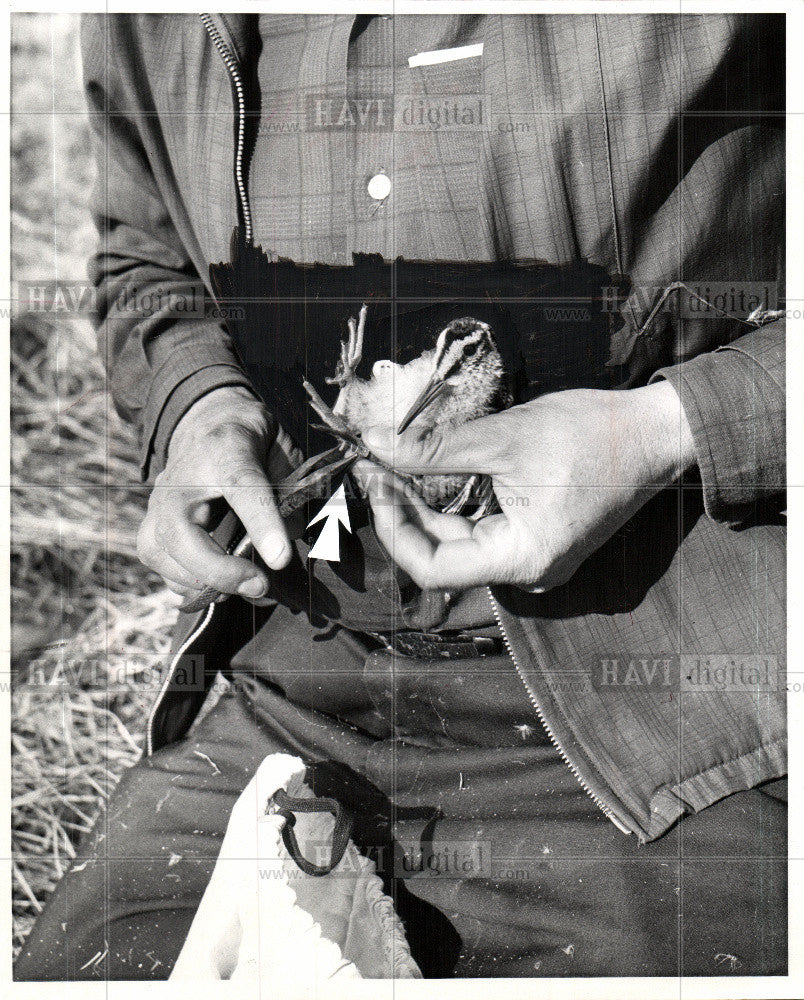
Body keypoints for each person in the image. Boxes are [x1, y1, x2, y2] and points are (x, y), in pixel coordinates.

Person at [16, 12, 785, 980]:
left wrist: (664, 431)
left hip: (679, 706)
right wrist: (199, 406)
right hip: (290, 681)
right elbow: (146, 256)